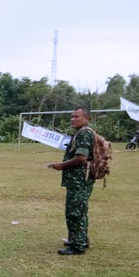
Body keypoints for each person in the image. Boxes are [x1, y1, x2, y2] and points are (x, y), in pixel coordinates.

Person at [49, 106, 96, 255]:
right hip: (80, 179)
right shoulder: (82, 133)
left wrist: (61, 165)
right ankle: (80, 239)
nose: (73, 119)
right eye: (72, 117)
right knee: (80, 210)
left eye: (77, 117)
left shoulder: (84, 134)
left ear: (86, 118)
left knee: (74, 212)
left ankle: (77, 245)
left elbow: (81, 157)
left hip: (79, 180)